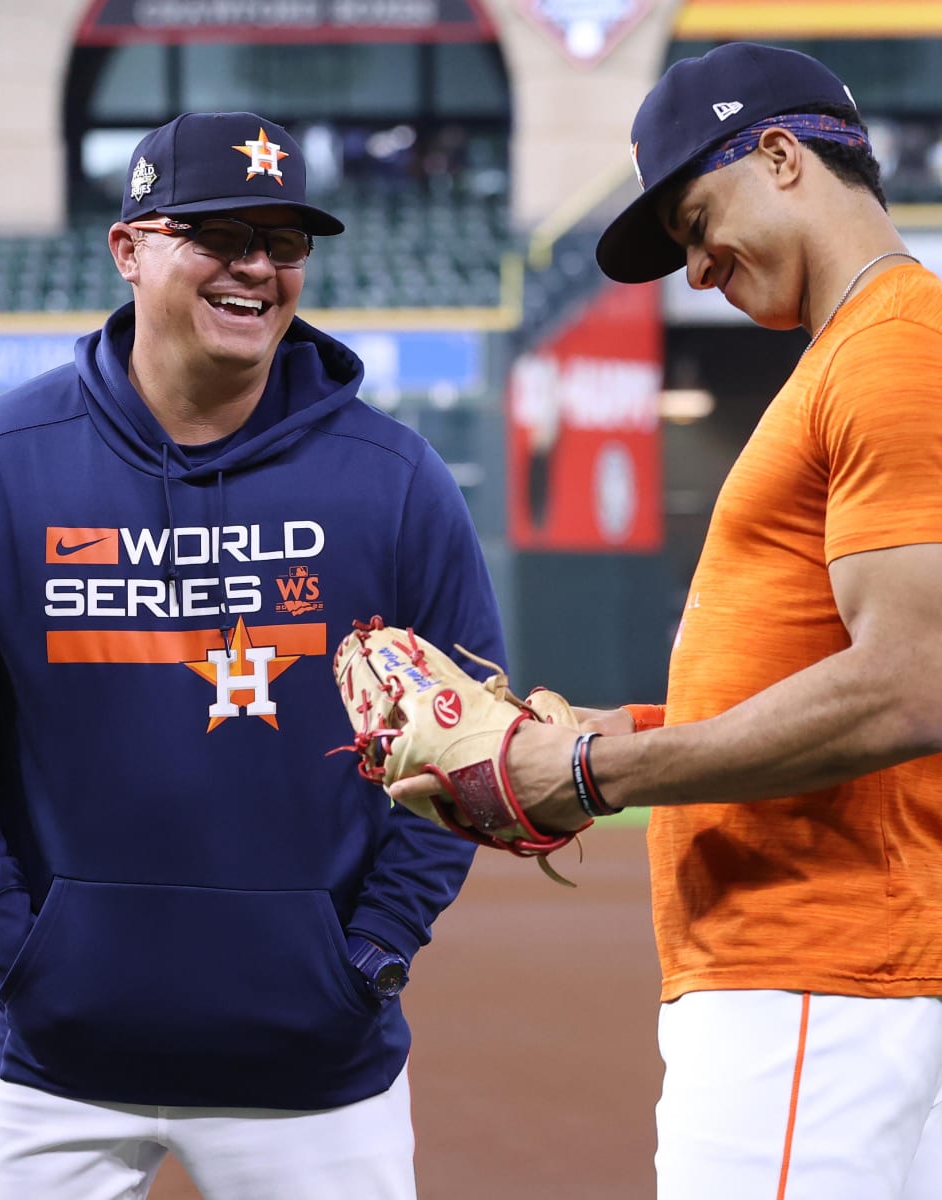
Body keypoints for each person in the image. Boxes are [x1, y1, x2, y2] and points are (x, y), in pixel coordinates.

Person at [0, 110, 505, 1200]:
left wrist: (373, 955)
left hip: (317, 1063)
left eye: (286, 241)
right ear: (129, 248)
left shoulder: (394, 481)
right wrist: (11, 935)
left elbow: (467, 743)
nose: (257, 267)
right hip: (53, 1065)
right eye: (220, 232)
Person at [393, 42, 942, 1200]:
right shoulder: (857, 350)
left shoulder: (892, 349)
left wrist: (598, 769)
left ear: (783, 156)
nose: (695, 269)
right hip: (824, 981)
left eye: (697, 220)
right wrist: (618, 724)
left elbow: (915, 681)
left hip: (820, 977)